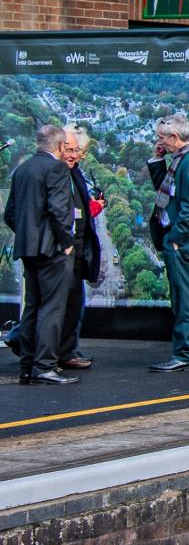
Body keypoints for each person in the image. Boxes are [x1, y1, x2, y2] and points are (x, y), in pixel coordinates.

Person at [7, 124, 79, 385]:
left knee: (32, 308)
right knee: (52, 309)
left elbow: (10, 214)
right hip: (53, 250)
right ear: (60, 146)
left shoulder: (22, 169)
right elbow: (59, 210)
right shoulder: (57, 168)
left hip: (27, 248)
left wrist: (28, 236)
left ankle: (27, 366)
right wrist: (67, 242)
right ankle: (46, 366)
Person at [147, 114, 189, 372]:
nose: (159, 141)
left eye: (162, 138)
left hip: (185, 241)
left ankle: (185, 352)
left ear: (175, 138)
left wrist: (176, 238)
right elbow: (167, 190)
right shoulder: (182, 160)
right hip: (185, 238)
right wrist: (157, 159)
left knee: (185, 298)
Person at [57, 124, 102, 371]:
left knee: (73, 303)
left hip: (76, 249)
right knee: (62, 304)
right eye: (72, 150)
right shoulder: (57, 172)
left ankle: (66, 350)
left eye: (79, 151)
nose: (76, 155)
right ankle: (58, 353)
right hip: (65, 250)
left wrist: (92, 209)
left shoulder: (73, 172)